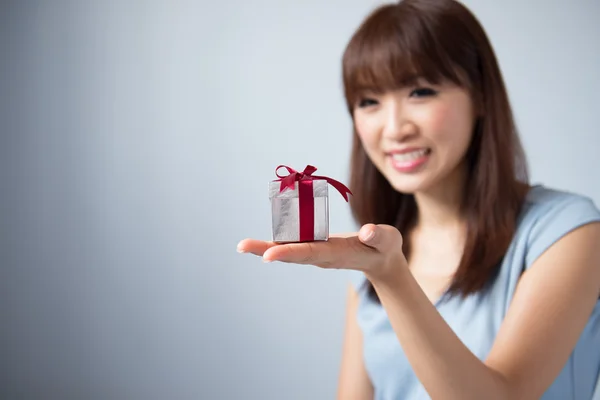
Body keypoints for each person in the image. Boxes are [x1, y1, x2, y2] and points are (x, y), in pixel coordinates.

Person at [237, 0, 600, 398]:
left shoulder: (567, 232)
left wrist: (392, 276)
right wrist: (381, 271)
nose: (394, 129)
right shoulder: (368, 261)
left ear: (480, 96)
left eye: (421, 91)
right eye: (369, 101)